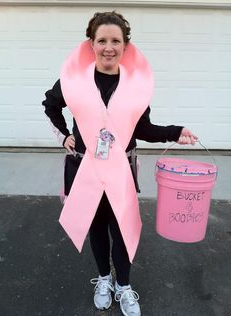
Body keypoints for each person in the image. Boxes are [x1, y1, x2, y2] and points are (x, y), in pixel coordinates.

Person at [42, 11, 197, 316]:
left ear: (126, 46)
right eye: (102, 40)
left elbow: (143, 129)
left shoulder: (135, 87)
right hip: (85, 168)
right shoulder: (73, 81)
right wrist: (63, 137)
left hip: (121, 170)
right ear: (91, 44)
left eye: (116, 41)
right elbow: (50, 105)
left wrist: (175, 132)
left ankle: (123, 285)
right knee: (97, 227)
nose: (108, 47)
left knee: (123, 229)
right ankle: (103, 280)